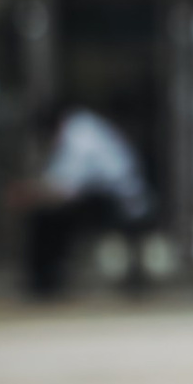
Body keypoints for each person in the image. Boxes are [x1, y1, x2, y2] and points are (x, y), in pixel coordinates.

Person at [15, 98, 154, 299]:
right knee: (48, 214)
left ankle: (46, 283)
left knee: (49, 218)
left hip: (121, 201)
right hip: (105, 195)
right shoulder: (81, 127)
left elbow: (66, 187)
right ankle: (45, 280)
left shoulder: (80, 135)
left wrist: (31, 193)